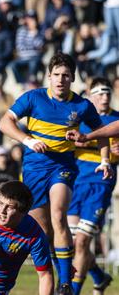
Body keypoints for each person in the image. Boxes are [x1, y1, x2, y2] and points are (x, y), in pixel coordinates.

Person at [0, 53, 112, 294]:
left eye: (66, 76)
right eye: (56, 75)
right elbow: (4, 122)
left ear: (73, 79)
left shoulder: (82, 105)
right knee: (42, 230)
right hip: (34, 169)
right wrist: (27, 140)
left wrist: (105, 160)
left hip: (62, 167)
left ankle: (65, 283)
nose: (61, 80)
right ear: (48, 77)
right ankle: (57, 272)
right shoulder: (33, 98)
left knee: (58, 214)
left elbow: (102, 132)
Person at [65, 78, 117, 295]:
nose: (104, 97)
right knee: (73, 243)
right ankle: (99, 276)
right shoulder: (80, 117)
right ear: (90, 94)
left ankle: (73, 291)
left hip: (99, 183)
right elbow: (68, 143)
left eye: (107, 93)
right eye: (100, 93)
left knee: (82, 242)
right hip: (75, 182)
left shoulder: (116, 120)